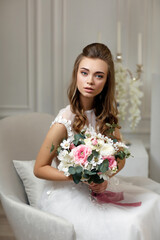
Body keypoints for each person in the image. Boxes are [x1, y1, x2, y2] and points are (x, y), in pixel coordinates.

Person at [34, 43, 160, 240]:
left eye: (99, 75)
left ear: (107, 81)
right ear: (76, 74)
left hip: (101, 188)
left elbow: (120, 159)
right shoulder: (65, 120)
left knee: (152, 203)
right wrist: (78, 176)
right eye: (84, 73)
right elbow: (39, 168)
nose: (90, 81)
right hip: (70, 194)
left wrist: (104, 178)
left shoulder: (108, 117)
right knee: (126, 224)